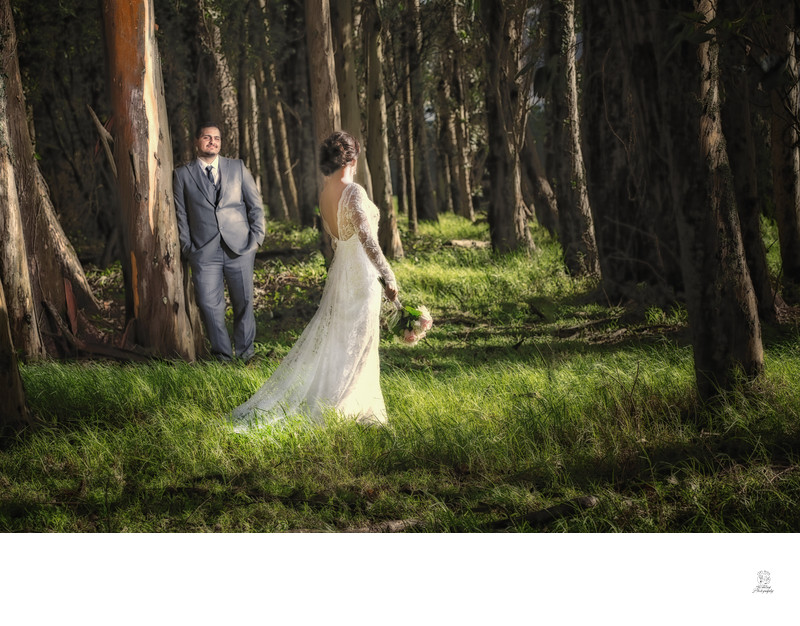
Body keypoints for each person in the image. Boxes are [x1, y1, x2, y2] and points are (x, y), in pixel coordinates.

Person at [230, 130, 398, 428]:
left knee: (341, 342)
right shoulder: (354, 191)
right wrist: (388, 275)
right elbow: (368, 241)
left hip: (341, 273)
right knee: (359, 344)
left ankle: (340, 402)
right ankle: (348, 407)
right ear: (351, 158)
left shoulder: (324, 195)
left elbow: (336, 239)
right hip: (360, 275)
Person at [173, 123, 266, 363]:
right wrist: (188, 248)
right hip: (204, 252)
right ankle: (223, 357)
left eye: (216, 138)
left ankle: (246, 356)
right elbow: (181, 214)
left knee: (244, 303)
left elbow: (255, 206)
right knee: (209, 305)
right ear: (197, 141)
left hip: (240, 248)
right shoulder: (182, 174)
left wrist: (256, 240)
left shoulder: (237, 167)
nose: (213, 141)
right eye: (207, 137)